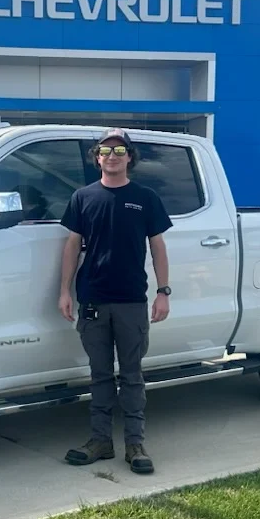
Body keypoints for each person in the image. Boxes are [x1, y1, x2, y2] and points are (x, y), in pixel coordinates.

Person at [58, 130, 172, 475]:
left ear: (129, 157)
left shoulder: (146, 198)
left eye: (119, 149)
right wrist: (65, 291)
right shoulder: (82, 198)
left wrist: (163, 291)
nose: (112, 155)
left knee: (132, 375)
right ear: (97, 157)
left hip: (132, 301)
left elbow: (158, 247)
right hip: (93, 299)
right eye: (105, 150)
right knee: (100, 375)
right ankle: (100, 441)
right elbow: (71, 246)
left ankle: (135, 444)